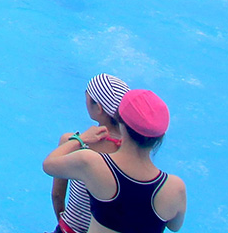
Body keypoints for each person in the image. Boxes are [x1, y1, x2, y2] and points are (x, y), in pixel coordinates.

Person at [43, 88, 186, 233]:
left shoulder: (93, 164)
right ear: (160, 137)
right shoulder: (175, 189)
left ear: (121, 124)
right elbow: (174, 226)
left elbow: (49, 165)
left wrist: (81, 139)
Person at [49, 74, 130, 233]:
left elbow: (57, 195)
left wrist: (63, 226)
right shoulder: (132, 152)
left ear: (98, 108)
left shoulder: (72, 144)